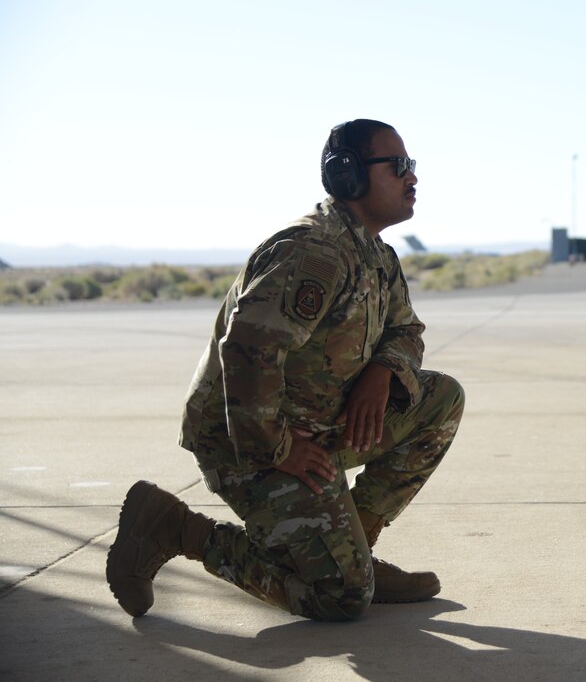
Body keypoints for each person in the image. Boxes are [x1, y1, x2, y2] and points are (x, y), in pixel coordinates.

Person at [106, 119, 465, 622]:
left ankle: (354, 548)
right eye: (399, 166)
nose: (413, 178)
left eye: (413, 167)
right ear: (350, 177)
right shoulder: (313, 253)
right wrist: (277, 447)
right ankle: (175, 527)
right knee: (339, 599)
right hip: (251, 444)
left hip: (316, 427)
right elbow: (247, 352)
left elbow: (407, 331)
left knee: (441, 398)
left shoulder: (376, 256)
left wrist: (381, 372)